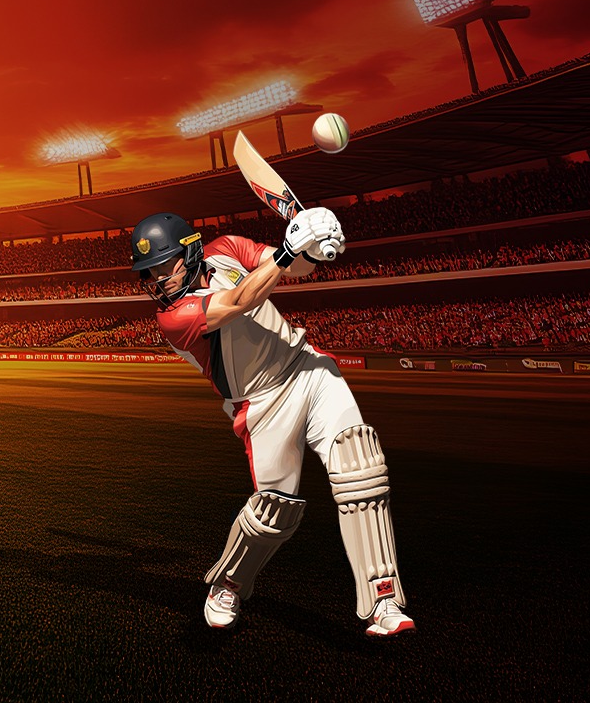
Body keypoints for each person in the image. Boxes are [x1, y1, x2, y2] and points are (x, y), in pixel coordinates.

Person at [129, 208, 413, 637]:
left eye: (162, 268)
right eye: (147, 275)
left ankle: (384, 601)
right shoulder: (173, 318)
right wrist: (286, 250)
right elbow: (242, 300)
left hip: (307, 368)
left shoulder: (225, 248)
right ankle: (228, 583)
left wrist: (314, 248)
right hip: (260, 403)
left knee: (362, 466)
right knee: (275, 512)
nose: (156, 282)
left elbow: (292, 267)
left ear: (189, 253)